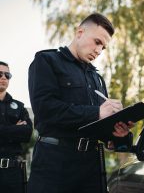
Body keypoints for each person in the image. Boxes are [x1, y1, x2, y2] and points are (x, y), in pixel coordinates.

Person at [28, 13, 133, 193]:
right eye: (97, 42)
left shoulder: (97, 78)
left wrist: (119, 135)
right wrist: (98, 112)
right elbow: (45, 109)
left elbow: (105, 134)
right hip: (55, 165)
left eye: (104, 48)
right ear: (80, 32)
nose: (99, 51)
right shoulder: (47, 61)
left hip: (92, 168)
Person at [0, 61, 33, 193]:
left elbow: (27, 133)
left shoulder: (19, 106)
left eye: (7, 75)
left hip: (13, 172)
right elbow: (19, 132)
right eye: (0, 74)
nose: (3, 77)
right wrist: (14, 129)